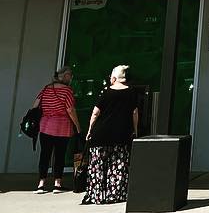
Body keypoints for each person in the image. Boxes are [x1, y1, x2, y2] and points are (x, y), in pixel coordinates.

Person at [81, 65, 139, 205]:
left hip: (101, 134)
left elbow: (95, 113)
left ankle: (97, 195)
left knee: (98, 166)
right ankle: (115, 195)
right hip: (121, 134)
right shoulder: (131, 92)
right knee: (118, 165)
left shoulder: (106, 92)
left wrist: (89, 130)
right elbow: (135, 112)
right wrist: (135, 130)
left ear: (113, 78)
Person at [34, 67, 80, 194]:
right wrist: (77, 125)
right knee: (59, 156)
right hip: (62, 127)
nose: (71, 78)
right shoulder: (67, 91)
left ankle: (41, 184)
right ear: (66, 76)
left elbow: (35, 104)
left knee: (45, 155)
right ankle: (57, 184)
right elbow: (70, 109)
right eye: (70, 76)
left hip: (45, 126)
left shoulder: (46, 89)